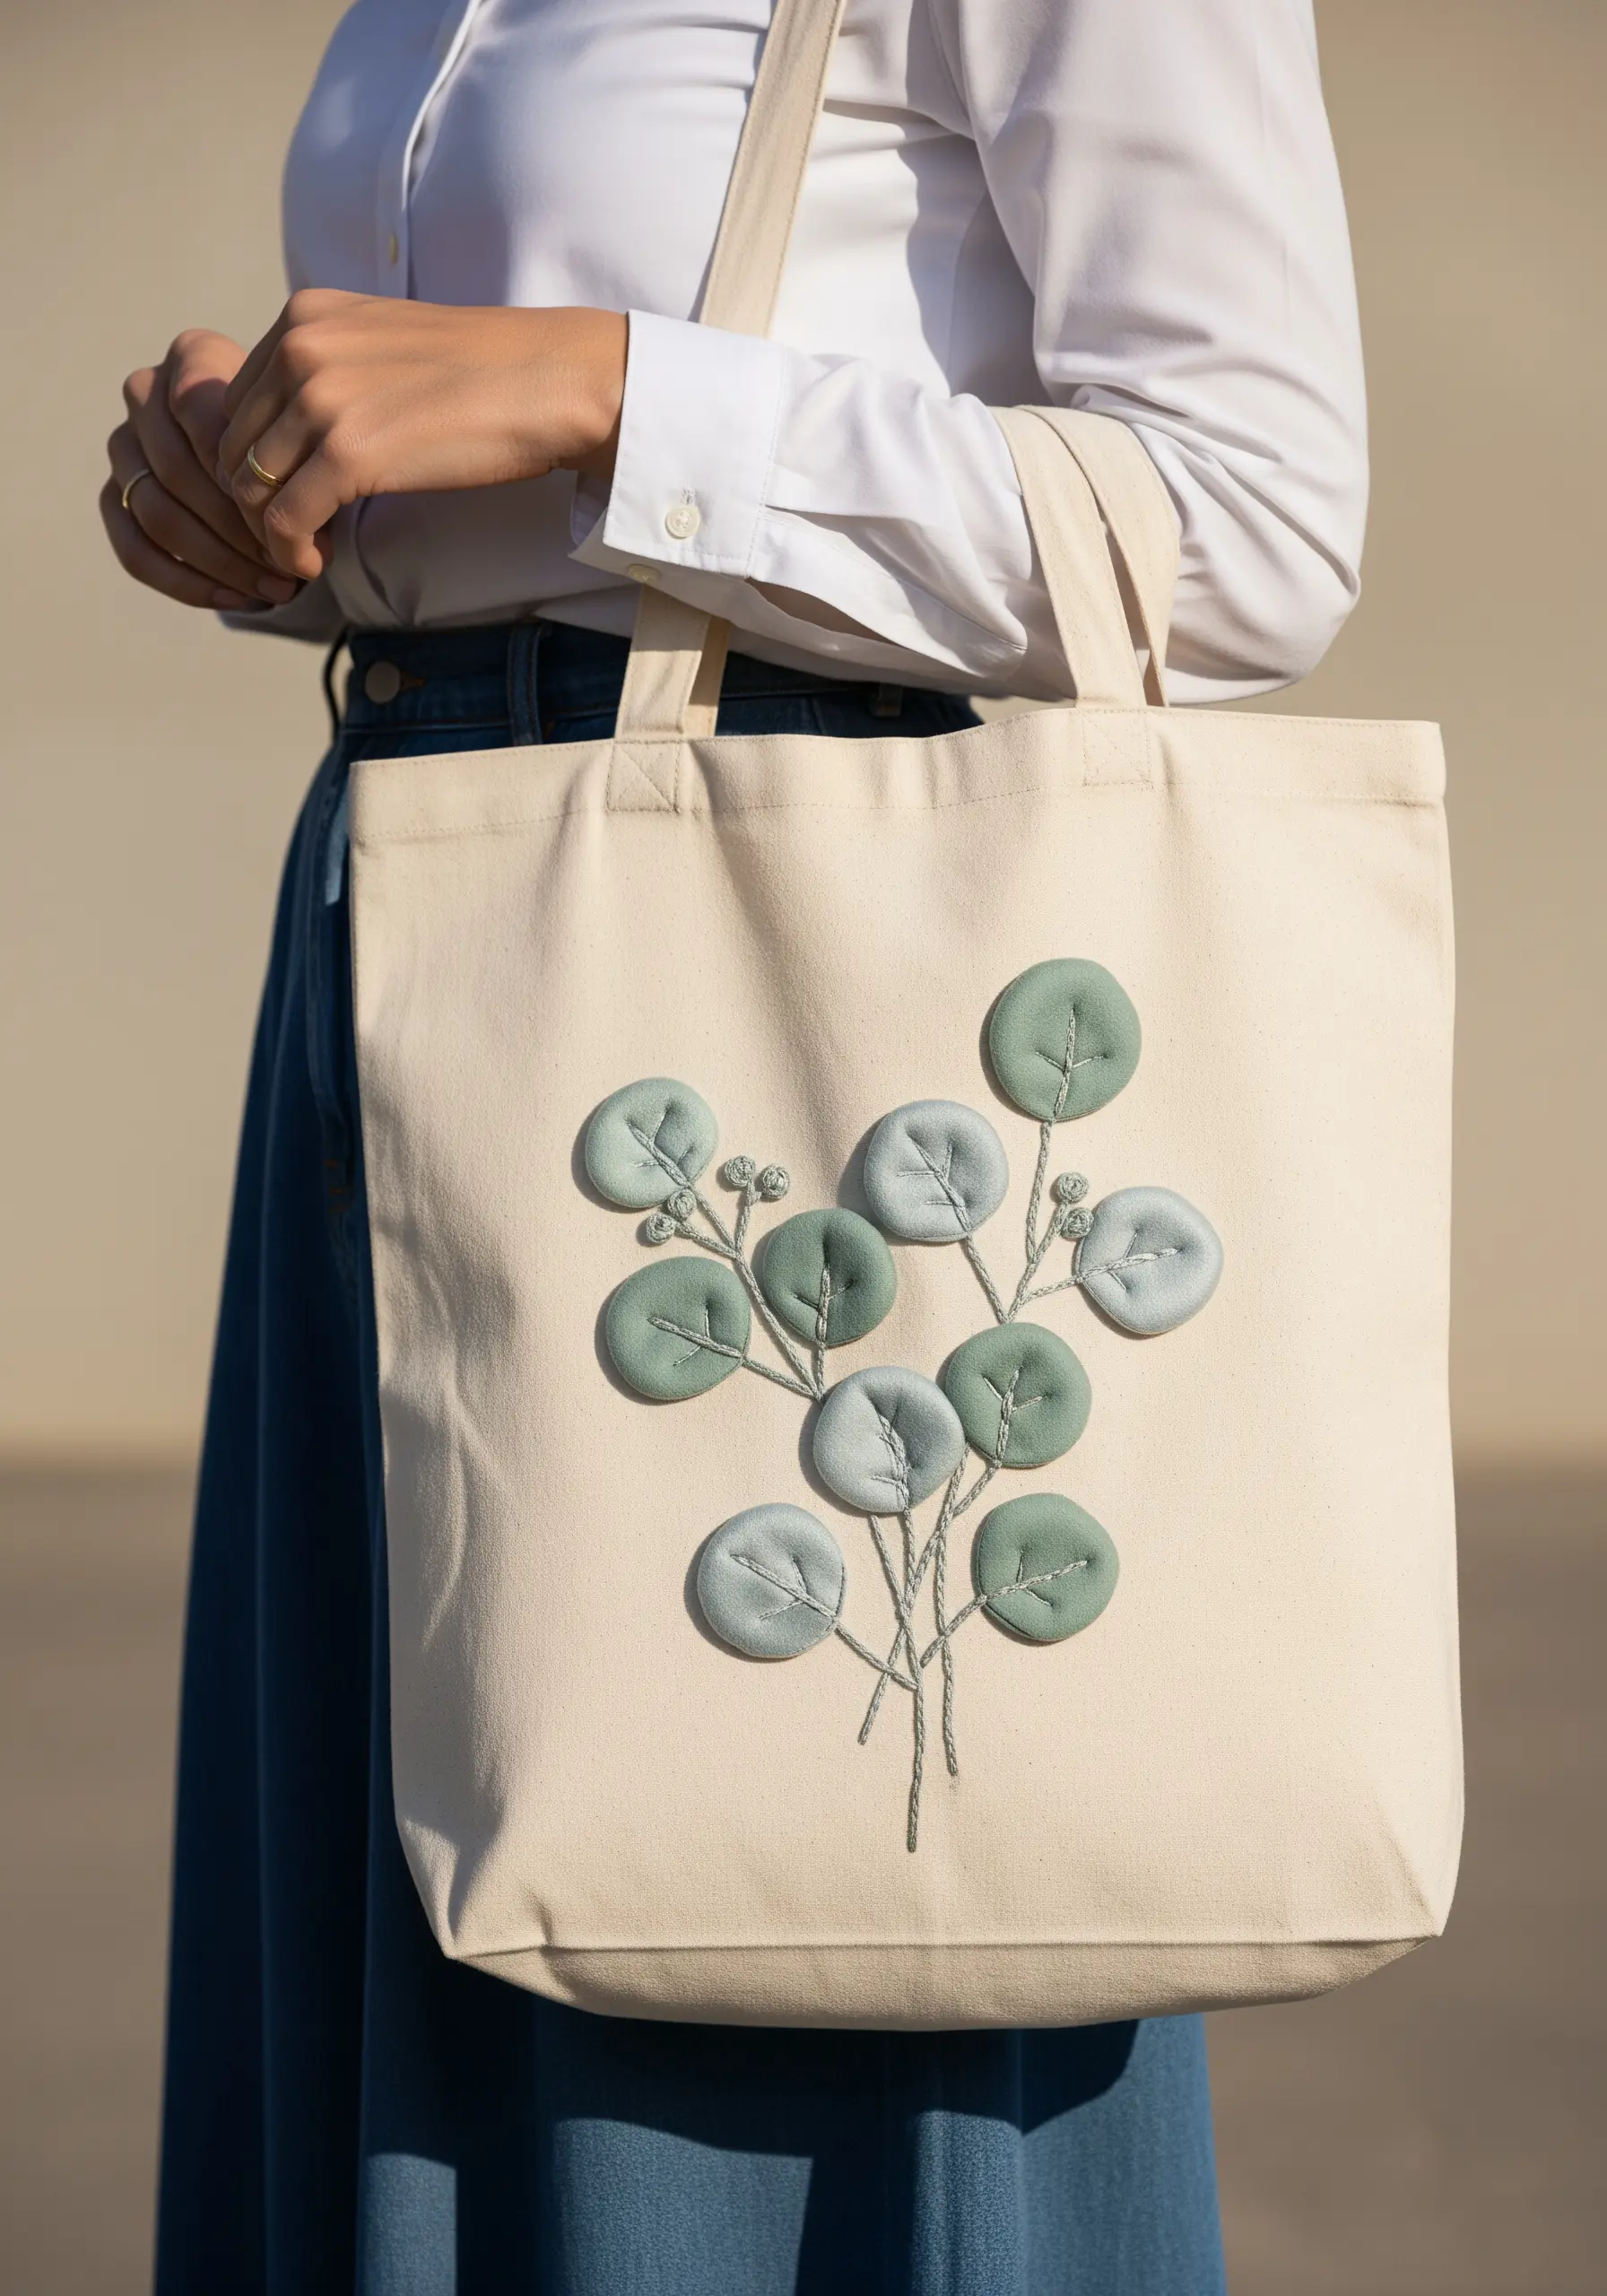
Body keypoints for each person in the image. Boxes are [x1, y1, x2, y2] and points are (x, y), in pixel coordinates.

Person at [103, 4, 1365, 2290]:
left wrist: (615, 381)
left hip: (807, 1002)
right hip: (419, 928)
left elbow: (1254, 531)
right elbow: (551, 500)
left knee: (791, 1876)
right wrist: (279, 498)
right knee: (423, 1937)